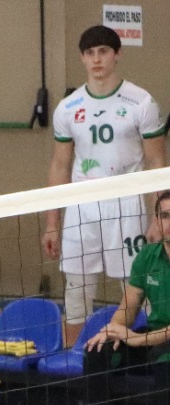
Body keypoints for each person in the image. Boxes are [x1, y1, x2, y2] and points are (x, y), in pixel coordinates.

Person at [44, 25, 166, 348]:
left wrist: (159, 217)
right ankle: (75, 359)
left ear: (117, 54)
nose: (97, 59)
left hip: (126, 205)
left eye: (103, 52)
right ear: (82, 58)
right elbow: (60, 165)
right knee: (76, 289)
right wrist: (52, 223)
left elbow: (157, 162)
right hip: (82, 206)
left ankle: (150, 356)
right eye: (90, 53)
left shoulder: (141, 101)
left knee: (138, 284)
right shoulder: (68, 107)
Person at [66, 188, 170, 405]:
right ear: (157, 221)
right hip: (154, 336)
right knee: (98, 351)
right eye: (165, 216)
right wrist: (112, 331)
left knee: (166, 359)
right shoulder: (147, 257)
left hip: (164, 340)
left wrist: (135, 338)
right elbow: (127, 308)